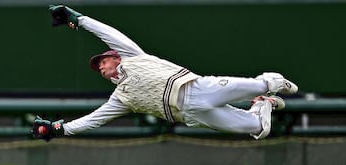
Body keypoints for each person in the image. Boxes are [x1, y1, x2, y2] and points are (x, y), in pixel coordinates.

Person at [32, 5, 298, 141]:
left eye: (102, 61)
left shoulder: (131, 56)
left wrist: (78, 19)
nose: (100, 66)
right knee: (256, 128)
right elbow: (94, 119)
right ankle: (265, 106)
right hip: (190, 114)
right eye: (97, 66)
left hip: (195, 88)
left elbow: (108, 33)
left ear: (114, 56)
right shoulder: (120, 98)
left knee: (262, 84)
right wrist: (59, 129)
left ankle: (271, 84)